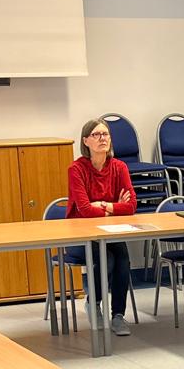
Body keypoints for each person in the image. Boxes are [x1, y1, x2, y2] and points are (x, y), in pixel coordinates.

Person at [66, 118, 136, 338]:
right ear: (86, 141)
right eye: (96, 135)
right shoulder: (76, 169)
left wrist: (103, 205)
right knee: (108, 258)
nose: (102, 138)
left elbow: (131, 206)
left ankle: (118, 315)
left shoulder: (119, 167)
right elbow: (85, 210)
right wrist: (115, 206)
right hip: (81, 235)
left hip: (110, 231)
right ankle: (93, 303)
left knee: (122, 257)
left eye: (105, 134)